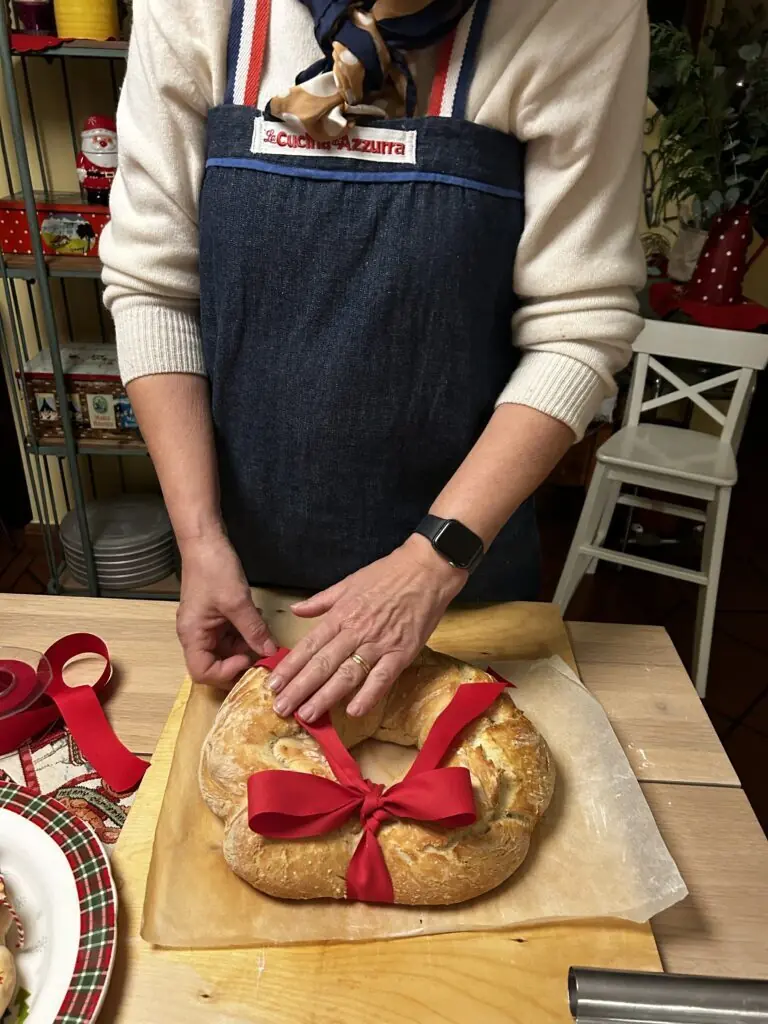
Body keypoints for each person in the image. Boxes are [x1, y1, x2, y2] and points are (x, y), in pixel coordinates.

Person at [101, 0, 648, 724]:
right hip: (244, 585)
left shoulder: (585, 15)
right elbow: (153, 289)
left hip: (459, 582)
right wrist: (199, 539)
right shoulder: (194, 10)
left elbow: (577, 329)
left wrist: (430, 562)